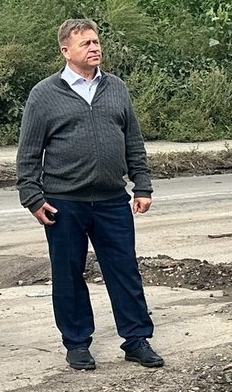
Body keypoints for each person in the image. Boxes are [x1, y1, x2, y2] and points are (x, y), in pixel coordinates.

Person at [16, 19, 163, 372]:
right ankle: (78, 343)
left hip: (112, 199)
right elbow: (28, 152)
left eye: (96, 42)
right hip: (64, 201)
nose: (95, 48)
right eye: (86, 44)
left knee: (125, 270)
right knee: (68, 275)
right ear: (66, 51)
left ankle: (136, 339)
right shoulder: (44, 94)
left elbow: (133, 141)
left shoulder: (116, 88)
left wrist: (141, 185)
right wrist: (32, 197)